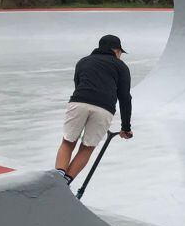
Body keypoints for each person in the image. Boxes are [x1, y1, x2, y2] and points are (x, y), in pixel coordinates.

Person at [54, 34, 133, 184]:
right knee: (87, 148)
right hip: (104, 109)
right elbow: (125, 98)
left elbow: (78, 84)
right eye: (121, 53)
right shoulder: (121, 67)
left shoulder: (83, 62)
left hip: (79, 102)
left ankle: (57, 180)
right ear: (116, 50)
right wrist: (126, 128)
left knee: (68, 142)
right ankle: (65, 184)